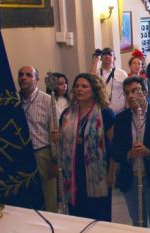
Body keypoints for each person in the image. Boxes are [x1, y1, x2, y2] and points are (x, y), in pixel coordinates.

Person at [112, 77, 150, 230]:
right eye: (127, 93)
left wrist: (149, 152)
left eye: (135, 91)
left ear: (145, 92)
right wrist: (128, 154)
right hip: (131, 180)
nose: (131, 96)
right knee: (138, 224)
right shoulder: (121, 119)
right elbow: (114, 151)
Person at [58, 73, 115, 221]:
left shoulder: (105, 113)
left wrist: (112, 172)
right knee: (77, 215)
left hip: (98, 173)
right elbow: (61, 141)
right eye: (77, 86)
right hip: (74, 171)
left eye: (84, 86)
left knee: (98, 216)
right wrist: (56, 138)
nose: (79, 89)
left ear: (94, 89)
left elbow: (114, 145)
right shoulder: (67, 113)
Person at [18, 66, 57, 212]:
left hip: (42, 154)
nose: (24, 77)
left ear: (37, 79)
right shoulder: (14, 100)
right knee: (28, 197)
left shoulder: (47, 101)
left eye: (29, 75)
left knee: (49, 197)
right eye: (21, 74)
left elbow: (55, 132)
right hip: (22, 156)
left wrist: (54, 160)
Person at [90, 47, 128, 114]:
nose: (107, 56)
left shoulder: (122, 73)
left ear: (114, 59)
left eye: (110, 54)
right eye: (104, 54)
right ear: (101, 58)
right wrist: (95, 60)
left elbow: (127, 92)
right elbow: (90, 81)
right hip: (100, 112)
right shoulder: (96, 72)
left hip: (120, 112)